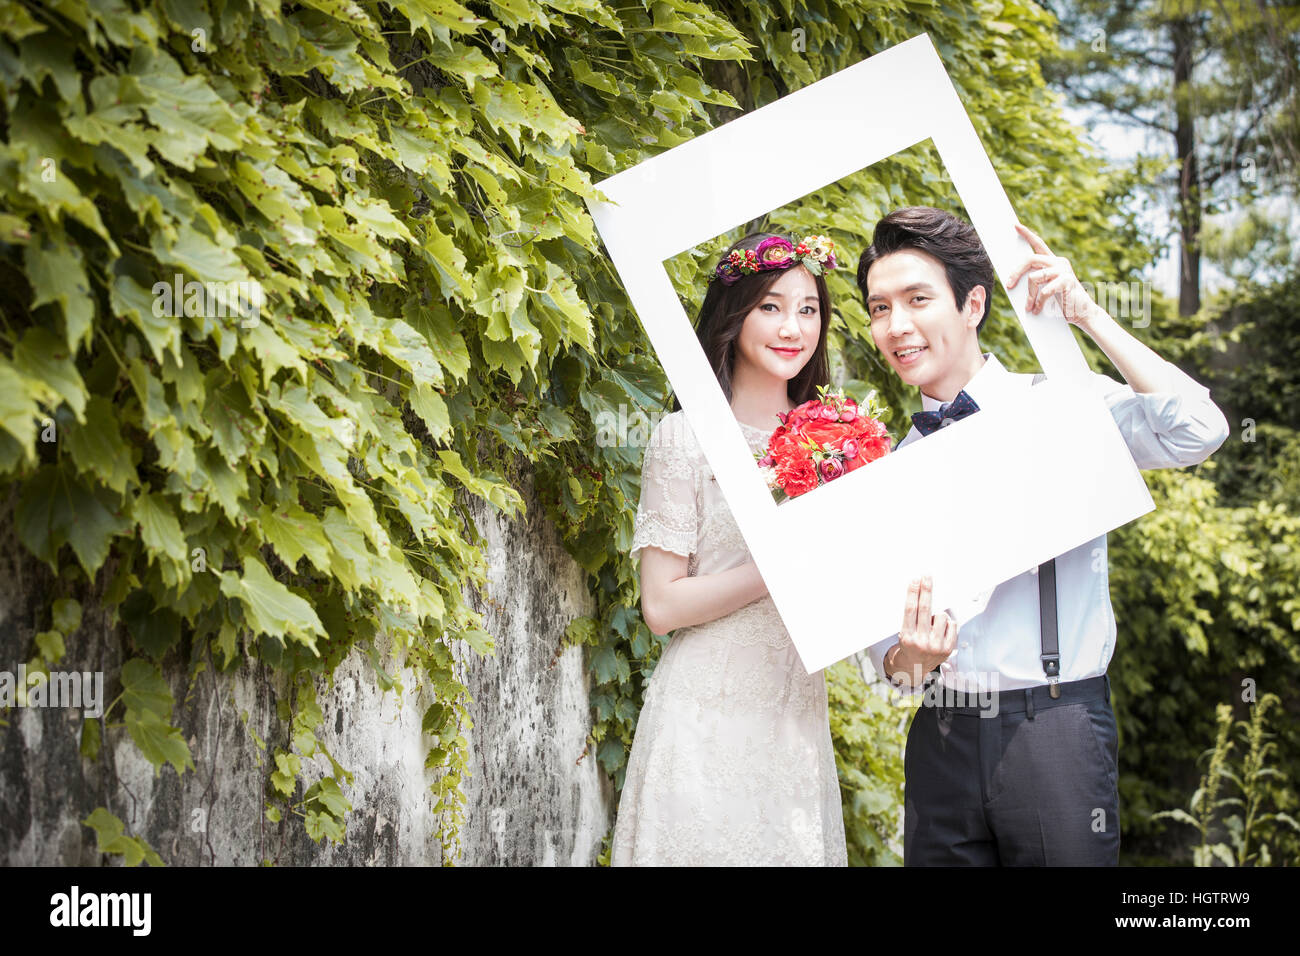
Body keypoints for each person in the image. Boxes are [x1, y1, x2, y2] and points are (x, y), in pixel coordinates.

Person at [856, 206, 1230, 866]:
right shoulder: (888, 466)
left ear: (973, 303)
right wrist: (913, 659)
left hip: (1055, 732)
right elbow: (890, 666)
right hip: (940, 739)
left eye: (917, 299)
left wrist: (1088, 315)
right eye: (880, 307)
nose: (897, 325)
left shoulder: (1064, 408)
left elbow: (1197, 431)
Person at [610, 231, 867, 865]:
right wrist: (781, 563)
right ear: (736, 313)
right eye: (771, 306)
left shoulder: (842, 440)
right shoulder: (685, 437)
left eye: (808, 309)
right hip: (704, 714)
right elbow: (662, 607)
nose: (793, 327)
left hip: (796, 715)